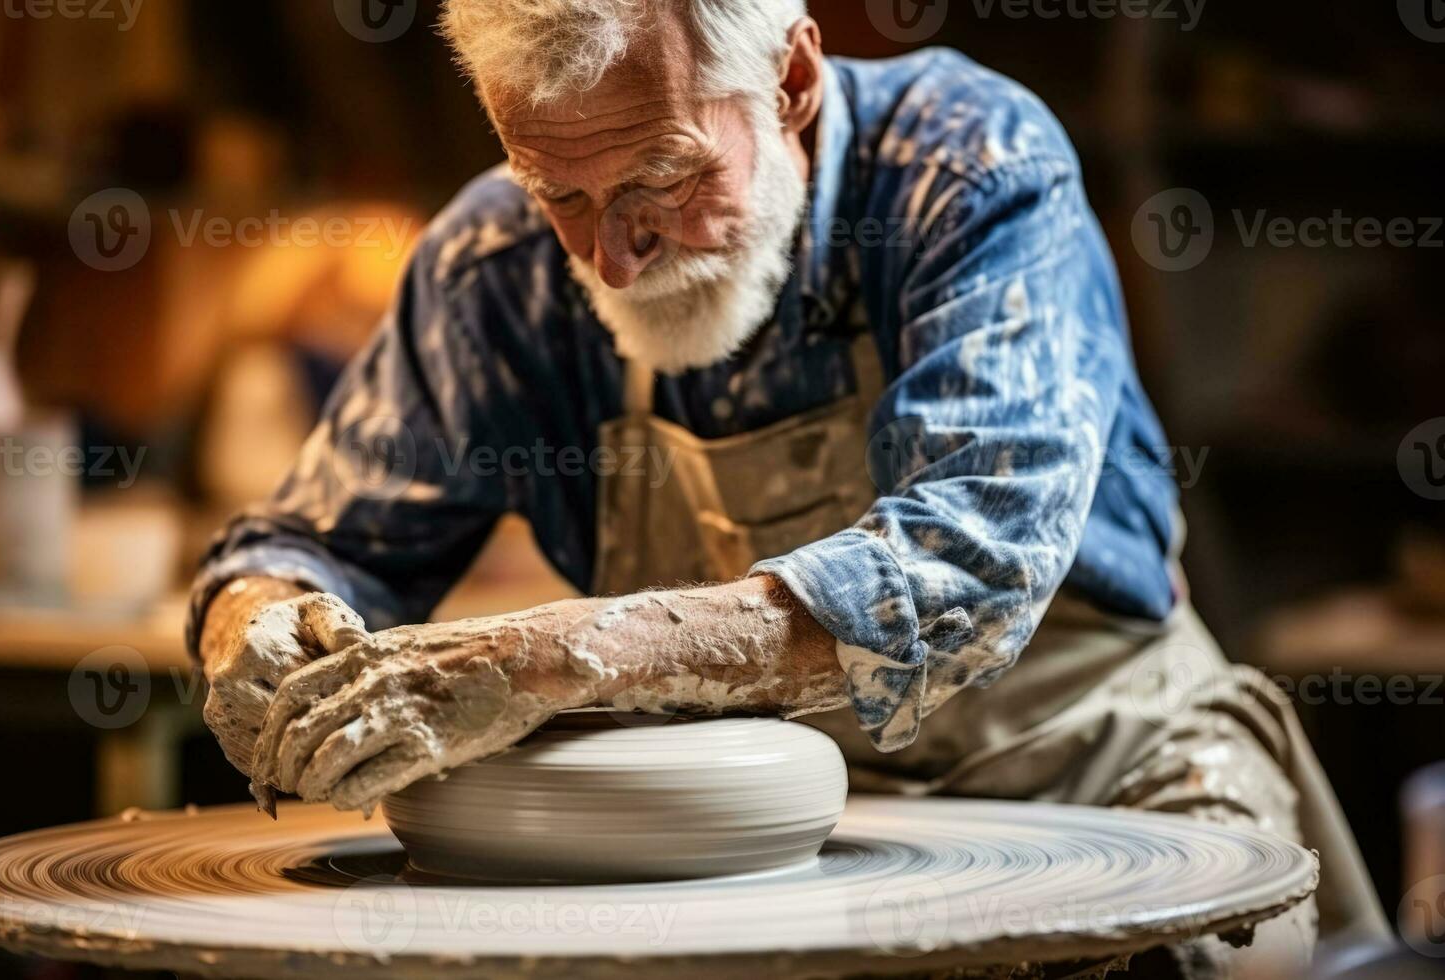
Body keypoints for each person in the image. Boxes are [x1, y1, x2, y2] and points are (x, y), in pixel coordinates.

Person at [190, 2, 1387, 974]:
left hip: (1094, 763)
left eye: (659, 177)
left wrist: (552, 659)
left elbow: (969, 556)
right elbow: (309, 541)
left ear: (793, 81)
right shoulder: (493, 267)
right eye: (562, 193)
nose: (611, 254)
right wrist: (261, 618)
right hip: (740, 842)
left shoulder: (966, 168)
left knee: (1216, 957)